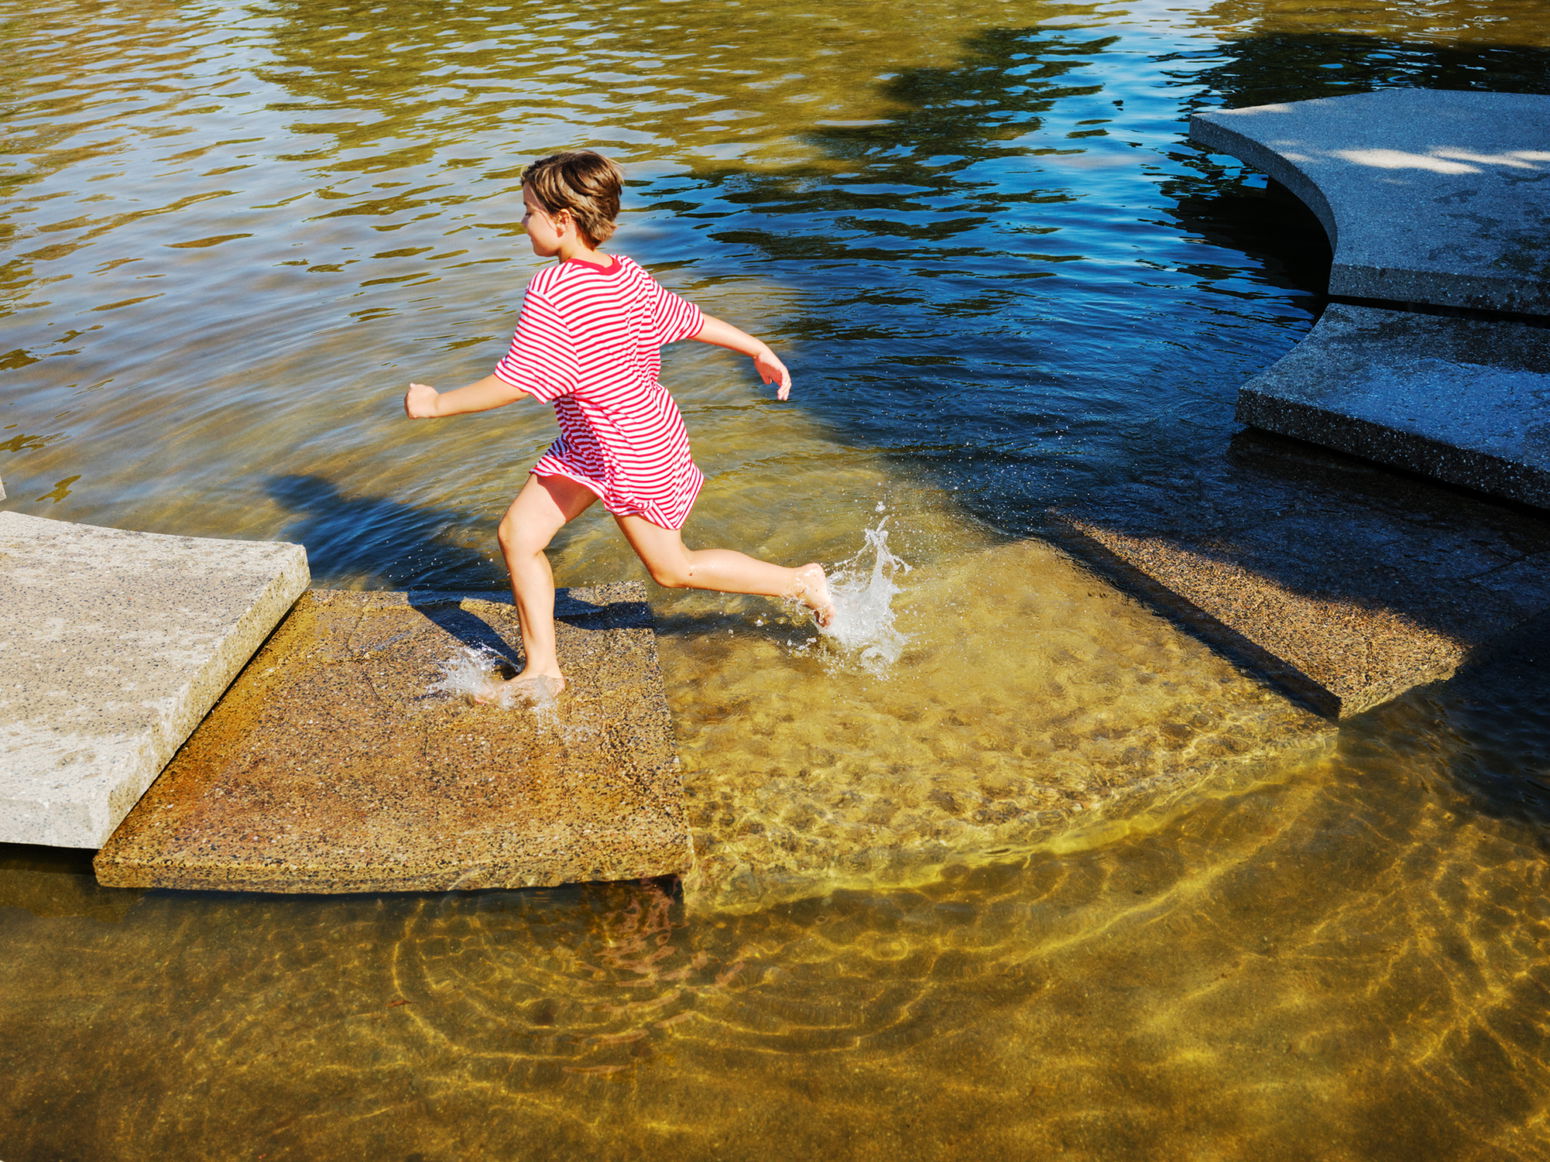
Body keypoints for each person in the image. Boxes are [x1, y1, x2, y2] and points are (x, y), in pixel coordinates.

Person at [404, 150, 833, 702]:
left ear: (562, 220)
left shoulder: (553, 290)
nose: (522, 222)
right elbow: (691, 319)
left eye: (529, 211)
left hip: (628, 449)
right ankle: (542, 669)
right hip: (598, 439)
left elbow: (517, 380)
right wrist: (756, 346)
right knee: (519, 536)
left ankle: (801, 582)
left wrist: (436, 404)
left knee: (673, 569)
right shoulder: (624, 272)